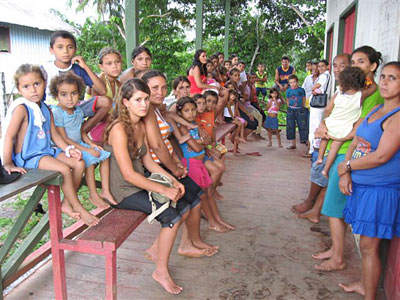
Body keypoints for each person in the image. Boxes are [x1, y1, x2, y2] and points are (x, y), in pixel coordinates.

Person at [104, 78, 187, 294]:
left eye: (146, 100)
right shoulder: (119, 129)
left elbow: (148, 162)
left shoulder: (139, 125)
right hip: (122, 192)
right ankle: (161, 271)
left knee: (181, 201)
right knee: (172, 217)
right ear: (125, 102)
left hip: (138, 186)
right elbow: (129, 175)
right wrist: (163, 189)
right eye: (138, 100)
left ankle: (156, 251)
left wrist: (174, 181)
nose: (144, 105)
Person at [313, 46, 384, 272]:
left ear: (373, 66)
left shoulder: (374, 94)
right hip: (341, 147)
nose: (355, 66)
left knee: (334, 207)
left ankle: (338, 257)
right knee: (335, 207)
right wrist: (324, 125)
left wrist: (335, 135)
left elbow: (361, 129)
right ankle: (336, 251)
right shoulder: (349, 90)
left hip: (349, 152)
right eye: (353, 61)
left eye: (361, 61)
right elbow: (329, 111)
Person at [1, 64, 99, 226]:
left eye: (37, 84)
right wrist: (8, 163)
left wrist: (69, 149)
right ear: (19, 90)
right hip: (30, 156)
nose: (33, 90)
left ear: (44, 83)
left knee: (79, 163)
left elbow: (55, 135)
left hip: (47, 151)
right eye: (26, 86)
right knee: (65, 169)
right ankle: (79, 207)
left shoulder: (46, 108)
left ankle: (67, 203)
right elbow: (9, 136)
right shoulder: (22, 109)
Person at [337, 61, 400, 299]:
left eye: (392, 78)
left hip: (380, 189)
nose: (384, 81)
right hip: (362, 184)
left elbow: (382, 155)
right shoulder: (376, 110)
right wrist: (346, 172)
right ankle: (365, 284)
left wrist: (348, 165)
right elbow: (356, 140)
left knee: (369, 246)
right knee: (366, 244)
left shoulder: (397, 116)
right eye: (383, 76)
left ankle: (370, 294)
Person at [142, 70, 219, 252]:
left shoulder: (159, 110)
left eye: (163, 87)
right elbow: (158, 147)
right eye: (154, 88)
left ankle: (193, 241)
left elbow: (168, 141)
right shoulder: (148, 113)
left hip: (169, 163)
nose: (160, 92)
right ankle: (171, 247)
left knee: (197, 195)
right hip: (158, 168)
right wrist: (175, 169)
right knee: (189, 200)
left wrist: (177, 162)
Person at [292, 54, 351, 223]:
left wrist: (330, 131)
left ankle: (311, 204)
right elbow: (329, 112)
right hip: (330, 136)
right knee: (321, 170)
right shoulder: (341, 90)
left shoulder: (358, 93)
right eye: (336, 65)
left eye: (344, 65)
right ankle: (315, 210)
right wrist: (324, 124)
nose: (338, 69)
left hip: (340, 142)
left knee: (320, 170)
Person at [50, 72, 116, 208]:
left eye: (73, 93)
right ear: (56, 96)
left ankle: (105, 190)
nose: (69, 98)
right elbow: (64, 138)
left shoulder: (78, 111)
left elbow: (81, 132)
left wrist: (91, 144)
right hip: (65, 147)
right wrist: (87, 150)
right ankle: (93, 194)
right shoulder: (57, 112)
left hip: (79, 144)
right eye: (64, 94)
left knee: (105, 155)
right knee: (88, 160)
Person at [41, 31, 111, 135]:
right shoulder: (45, 69)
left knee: (106, 101)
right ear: (51, 50)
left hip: (75, 109)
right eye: (60, 47)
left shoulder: (78, 69)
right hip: (53, 111)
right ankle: (57, 136)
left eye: (70, 47)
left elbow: (102, 90)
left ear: (75, 49)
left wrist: (85, 67)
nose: (65, 51)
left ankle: (81, 133)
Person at [316, 67, 367, 177]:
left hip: (332, 122)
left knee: (324, 138)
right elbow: (371, 90)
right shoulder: (360, 96)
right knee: (335, 145)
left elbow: (328, 109)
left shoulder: (338, 93)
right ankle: (326, 169)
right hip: (345, 127)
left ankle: (320, 158)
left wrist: (326, 118)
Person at [87, 47, 122, 145]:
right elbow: (98, 113)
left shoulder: (118, 84)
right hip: (95, 125)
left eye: (117, 62)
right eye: (109, 63)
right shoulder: (99, 81)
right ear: (101, 66)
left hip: (110, 122)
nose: (114, 66)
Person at [308, 59, 331, 154]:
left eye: (322, 66)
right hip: (318, 105)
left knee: (315, 126)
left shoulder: (324, 76)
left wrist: (314, 90)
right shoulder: (326, 76)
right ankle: (314, 148)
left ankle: (314, 149)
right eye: (319, 66)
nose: (320, 68)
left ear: (327, 67)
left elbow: (315, 87)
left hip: (318, 106)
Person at [285, 75, 307, 149]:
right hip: (291, 109)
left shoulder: (301, 90)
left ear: (297, 82)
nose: (293, 84)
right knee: (290, 126)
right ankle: (293, 143)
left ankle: (305, 140)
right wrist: (289, 107)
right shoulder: (288, 91)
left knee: (302, 125)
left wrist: (303, 106)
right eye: (291, 83)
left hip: (300, 109)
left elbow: (304, 99)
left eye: (294, 82)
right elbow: (287, 100)